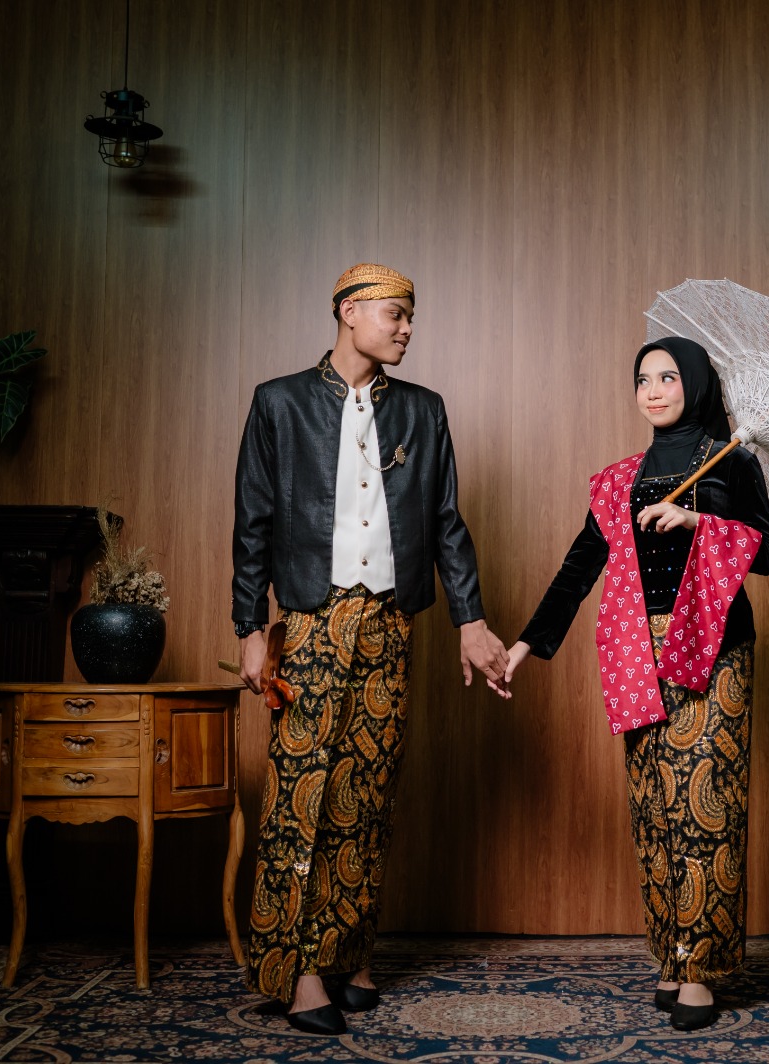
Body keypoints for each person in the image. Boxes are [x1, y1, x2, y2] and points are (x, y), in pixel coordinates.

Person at [231, 263, 510, 1036]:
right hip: (312, 621)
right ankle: (298, 974)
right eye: (396, 314)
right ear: (350, 311)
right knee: (303, 795)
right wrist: (250, 627)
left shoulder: (423, 410)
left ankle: (349, 952)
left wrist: (471, 620)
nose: (407, 329)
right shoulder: (279, 403)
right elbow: (253, 521)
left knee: (367, 793)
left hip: (391, 622)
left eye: (410, 317)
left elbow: (447, 523)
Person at [504, 336, 769, 1032]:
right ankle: (672, 954)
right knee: (655, 805)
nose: (653, 390)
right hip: (637, 648)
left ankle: (702, 970)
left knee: (705, 803)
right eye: (642, 379)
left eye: (667, 377)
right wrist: (527, 643)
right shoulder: (618, 479)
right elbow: (580, 565)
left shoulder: (733, 459)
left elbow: (768, 553)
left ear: (696, 384)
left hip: (714, 649)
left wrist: (698, 520)